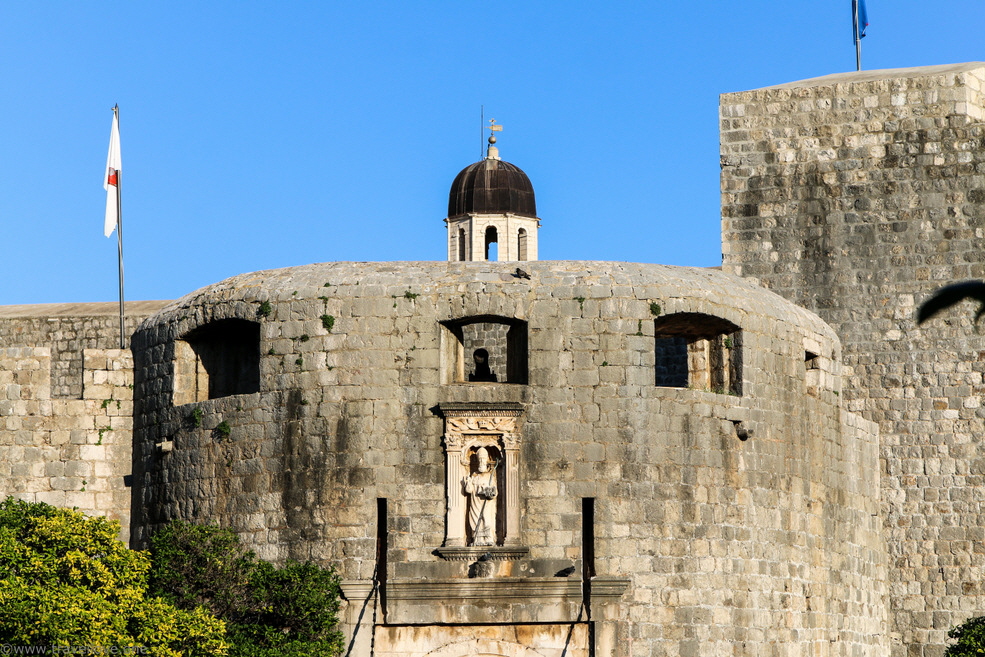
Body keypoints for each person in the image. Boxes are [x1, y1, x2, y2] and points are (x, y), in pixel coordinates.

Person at [463, 447, 498, 546]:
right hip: (475, 502)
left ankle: (488, 538)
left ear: (486, 460)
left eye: (483, 459)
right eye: (480, 459)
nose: (482, 461)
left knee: (487, 519)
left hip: (486, 503)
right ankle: (478, 539)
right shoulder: (474, 476)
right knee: (475, 518)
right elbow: (468, 490)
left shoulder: (490, 476)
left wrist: (489, 492)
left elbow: (495, 491)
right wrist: (468, 483)